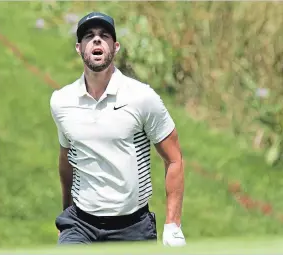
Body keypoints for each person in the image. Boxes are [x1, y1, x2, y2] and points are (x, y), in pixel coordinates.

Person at [49, 12, 186, 247]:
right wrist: (66, 213)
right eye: (89, 36)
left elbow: (174, 159)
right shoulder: (62, 101)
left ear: (116, 46)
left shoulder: (142, 97)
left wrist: (173, 224)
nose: (97, 40)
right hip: (80, 226)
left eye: (104, 36)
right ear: (79, 48)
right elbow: (66, 159)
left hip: (133, 226)